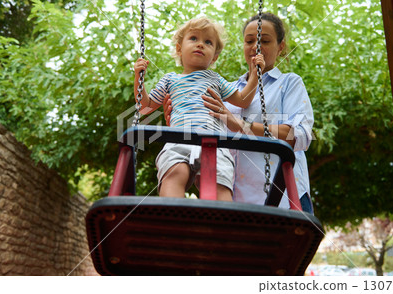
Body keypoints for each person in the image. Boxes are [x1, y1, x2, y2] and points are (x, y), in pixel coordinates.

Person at [165, 13, 314, 213]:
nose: (255, 46)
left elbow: (300, 135)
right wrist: (179, 121)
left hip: (284, 199)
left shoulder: (288, 83)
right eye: (249, 41)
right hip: (238, 203)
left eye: (265, 41)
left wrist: (241, 125)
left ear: (281, 47)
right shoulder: (228, 92)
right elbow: (205, 139)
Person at [133, 17, 265, 201]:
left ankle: (222, 224)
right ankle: (172, 218)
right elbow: (145, 107)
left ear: (215, 57)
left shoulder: (215, 79)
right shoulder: (170, 80)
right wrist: (139, 78)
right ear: (179, 48)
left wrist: (254, 73)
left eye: (208, 42)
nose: (200, 44)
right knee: (174, 173)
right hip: (179, 137)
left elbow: (242, 100)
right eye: (194, 38)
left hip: (215, 141)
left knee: (218, 182)